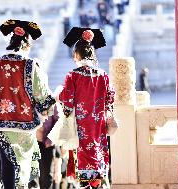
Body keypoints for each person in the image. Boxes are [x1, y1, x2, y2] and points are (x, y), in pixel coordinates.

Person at [0, 19, 56, 189]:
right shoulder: (32, 65)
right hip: (24, 124)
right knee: (21, 164)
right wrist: (48, 107)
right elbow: (43, 97)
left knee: (5, 165)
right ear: (27, 45)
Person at [59, 27, 115, 189]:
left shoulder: (73, 75)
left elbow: (67, 100)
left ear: (77, 54)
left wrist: (65, 108)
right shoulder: (103, 74)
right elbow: (110, 97)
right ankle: (97, 184)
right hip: (98, 126)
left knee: (81, 158)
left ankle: (85, 185)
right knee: (96, 154)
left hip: (80, 126)